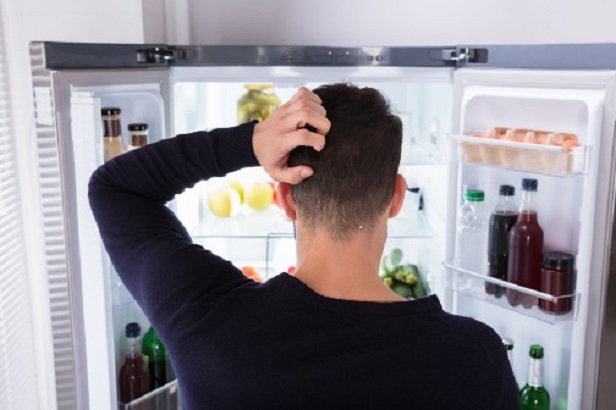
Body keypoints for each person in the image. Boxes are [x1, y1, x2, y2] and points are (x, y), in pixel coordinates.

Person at [89, 84, 519, 409]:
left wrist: (251, 142)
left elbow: (116, 188)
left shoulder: (209, 324)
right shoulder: (475, 356)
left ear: (284, 198)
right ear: (397, 198)